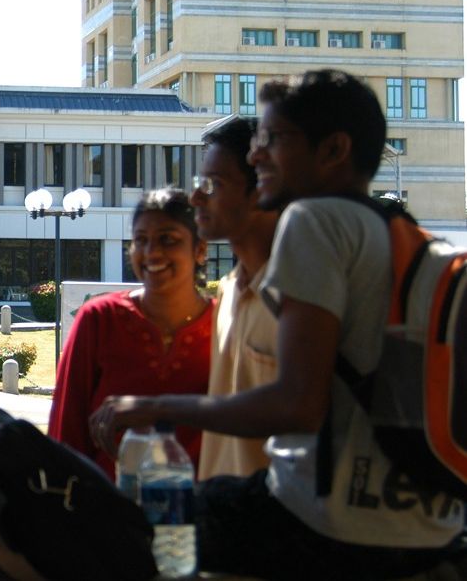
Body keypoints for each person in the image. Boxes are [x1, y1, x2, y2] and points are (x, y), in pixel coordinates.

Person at [90, 70, 465, 578]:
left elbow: (299, 404)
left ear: (333, 150)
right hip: (424, 527)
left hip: (326, 524)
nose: (256, 153)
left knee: (121, 532)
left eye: (273, 140)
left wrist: (153, 407)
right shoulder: (402, 235)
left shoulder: (311, 220)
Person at [48, 187, 213, 479]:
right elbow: (66, 434)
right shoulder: (99, 319)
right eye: (140, 240)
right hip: (108, 511)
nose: (152, 252)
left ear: (200, 249)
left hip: (203, 512)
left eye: (168, 239)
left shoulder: (223, 323)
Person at [191, 116, 280, 479]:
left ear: (260, 189)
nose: (195, 196)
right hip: (220, 517)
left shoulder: (300, 299)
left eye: (213, 185)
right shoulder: (228, 290)